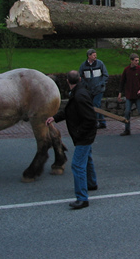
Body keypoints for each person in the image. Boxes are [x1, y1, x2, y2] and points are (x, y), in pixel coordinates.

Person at [46, 70, 98, 210]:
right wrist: (55, 118)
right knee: (87, 157)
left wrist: (78, 132)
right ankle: (92, 183)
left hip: (84, 135)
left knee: (77, 165)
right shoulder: (78, 93)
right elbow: (71, 111)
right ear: (79, 79)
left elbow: (91, 119)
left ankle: (82, 199)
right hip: (85, 134)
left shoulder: (79, 95)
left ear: (68, 81)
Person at [79, 49, 109, 129]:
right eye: (93, 55)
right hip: (89, 89)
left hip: (99, 89)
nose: (95, 57)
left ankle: (94, 122)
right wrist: (85, 84)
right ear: (89, 56)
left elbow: (105, 75)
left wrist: (101, 83)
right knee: (96, 106)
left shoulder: (100, 63)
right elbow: (80, 76)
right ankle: (102, 122)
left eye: (95, 55)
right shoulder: (83, 66)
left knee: (95, 104)